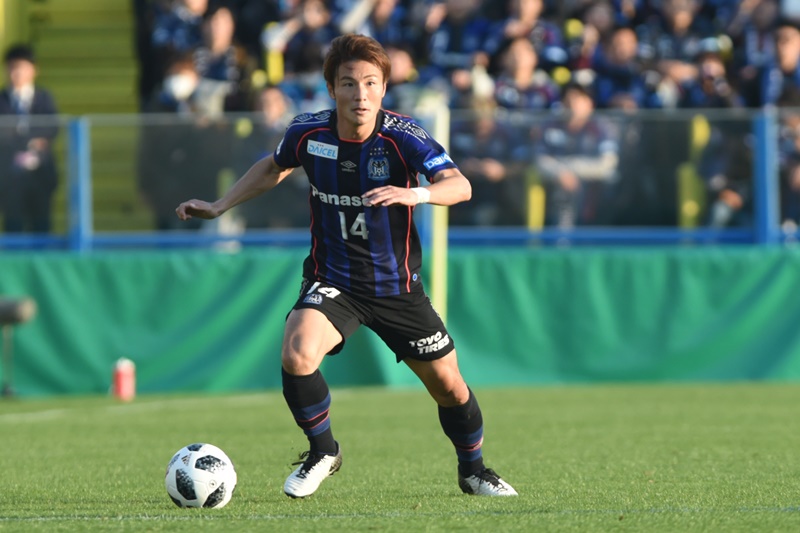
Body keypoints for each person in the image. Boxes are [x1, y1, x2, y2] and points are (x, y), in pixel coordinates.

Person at [176, 33, 517, 498]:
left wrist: (415, 193)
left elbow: (460, 185)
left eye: (371, 83)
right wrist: (219, 206)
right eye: (349, 83)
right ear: (332, 88)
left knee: (450, 388)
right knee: (297, 352)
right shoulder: (308, 133)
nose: (360, 94)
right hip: (334, 279)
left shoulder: (403, 136)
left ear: (384, 88)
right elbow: (273, 166)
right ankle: (323, 450)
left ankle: (473, 471)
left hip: (396, 287)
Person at [0, 44, 60, 233]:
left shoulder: (44, 98)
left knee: (41, 226)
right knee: (13, 226)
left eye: (21, 67)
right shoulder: (2, 100)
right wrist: (28, 142)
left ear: (33, 70)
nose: (16, 73)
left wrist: (27, 143)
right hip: (9, 176)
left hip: (40, 174)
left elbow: (51, 127)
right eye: (12, 67)